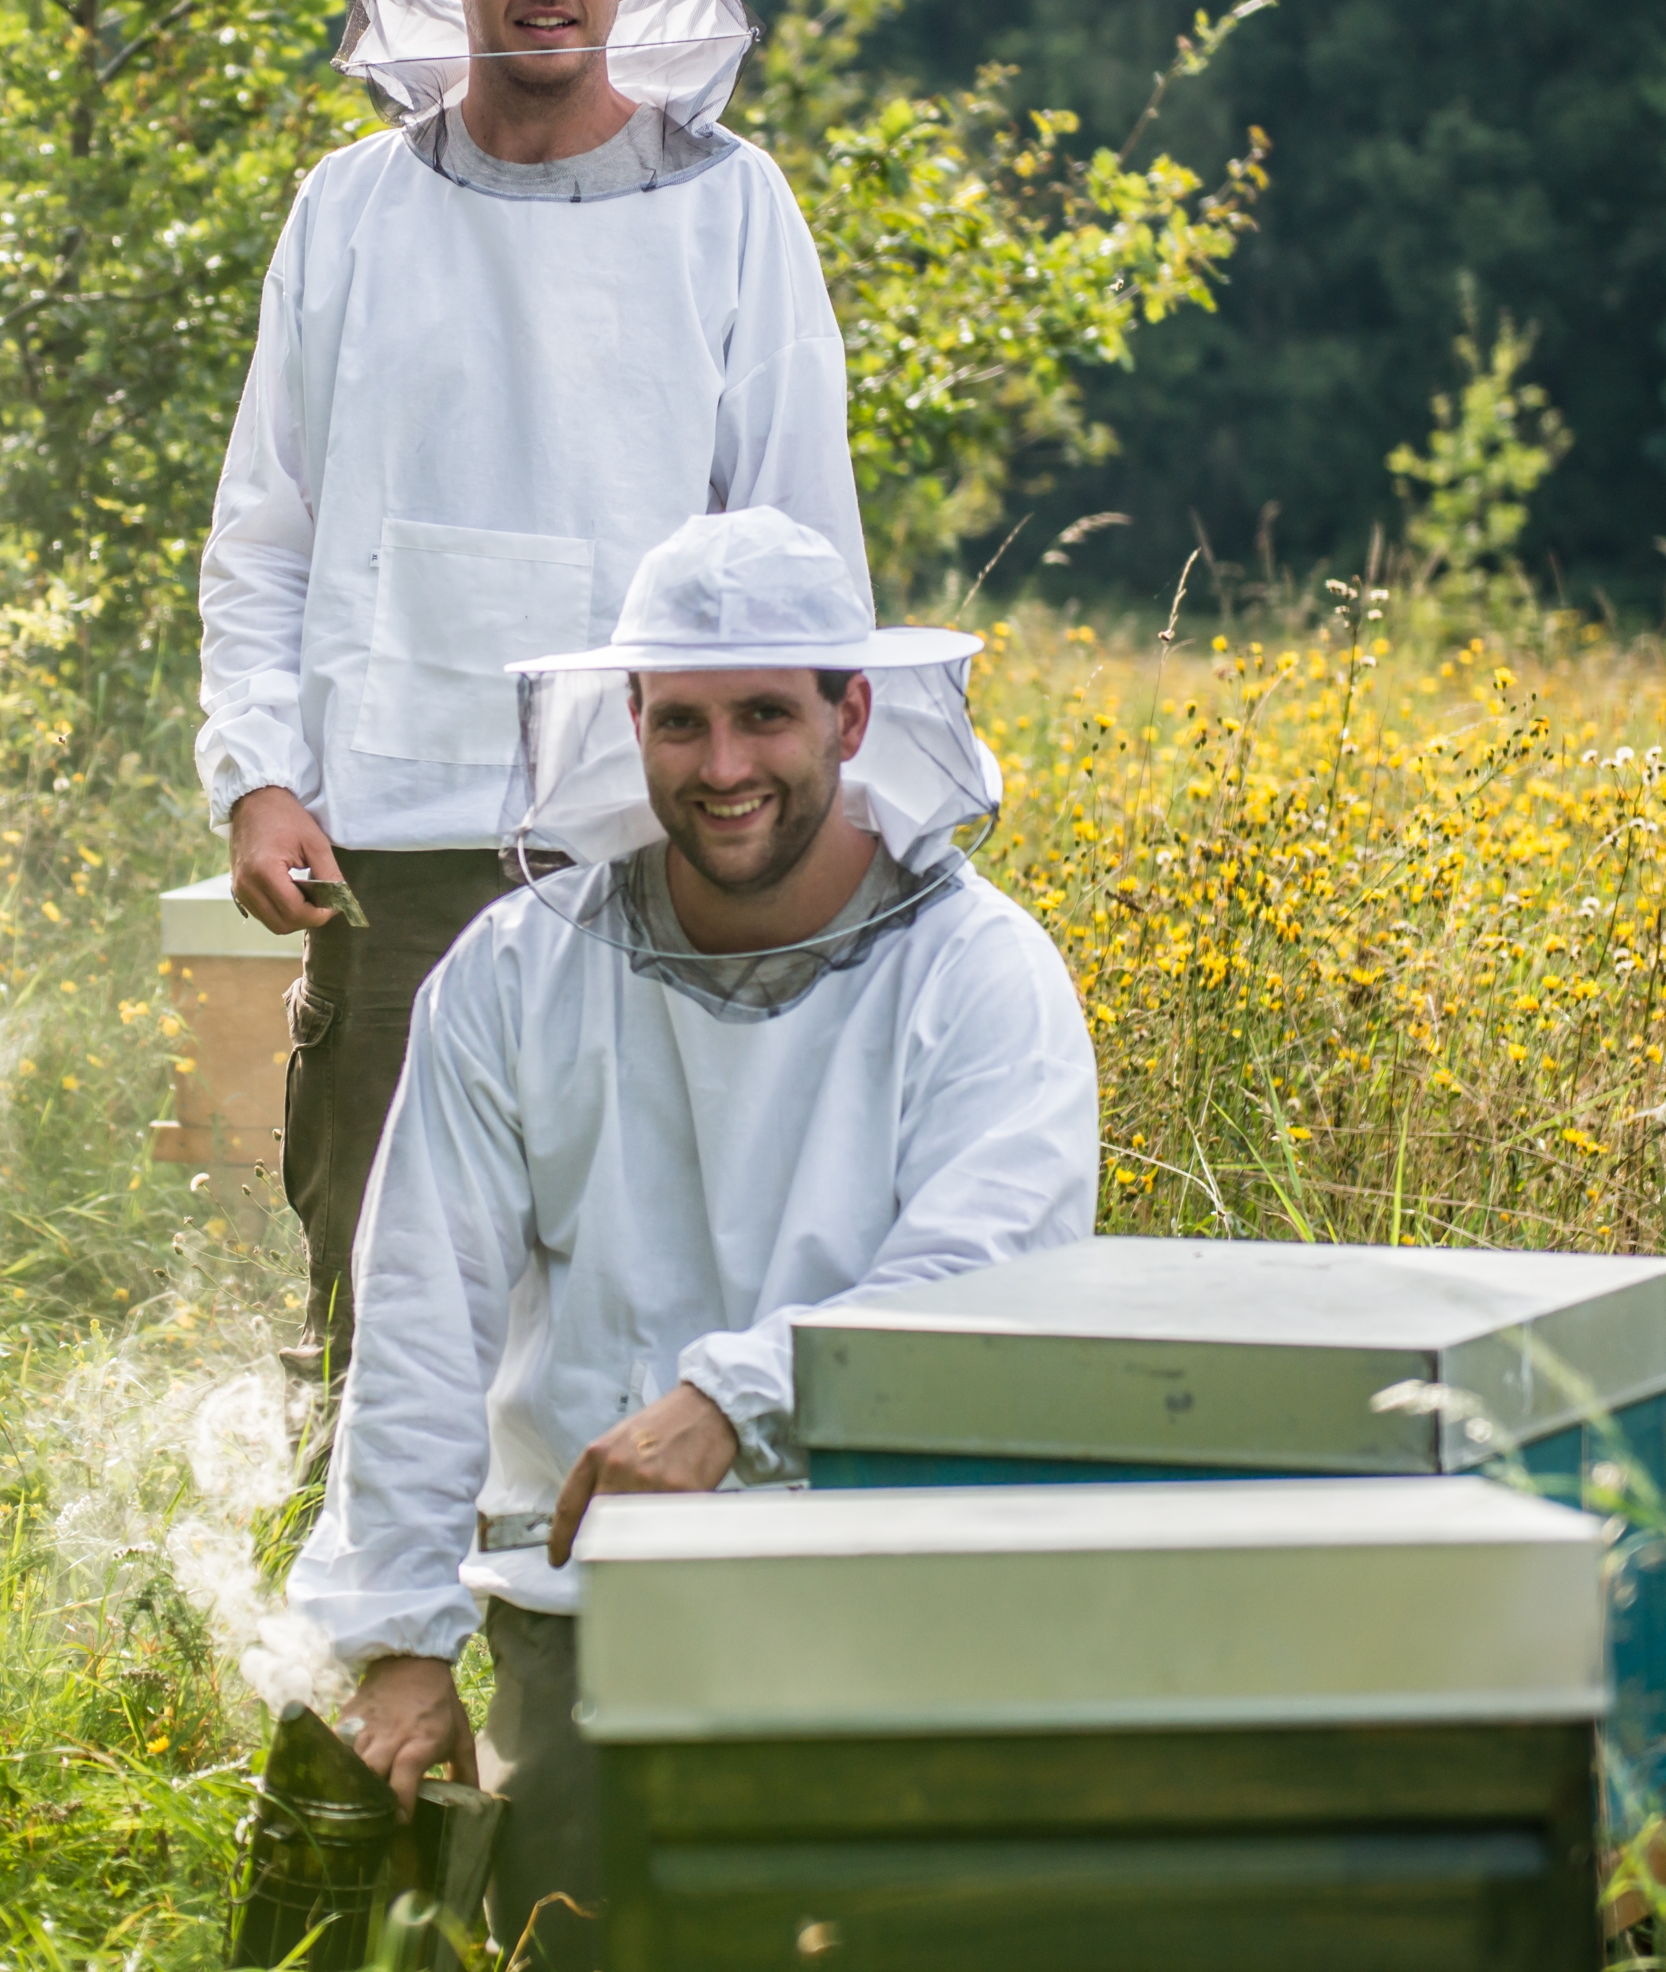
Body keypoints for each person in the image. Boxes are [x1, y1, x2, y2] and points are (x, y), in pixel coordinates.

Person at [281, 510, 1100, 1968]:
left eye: (766, 715)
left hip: (888, 1600)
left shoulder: (981, 975)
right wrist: (403, 1643)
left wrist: (732, 1399)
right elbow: (421, 1310)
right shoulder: (516, 975)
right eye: (682, 723)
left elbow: (993, 1270)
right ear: (631, 723)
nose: (723, 768)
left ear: (852, 711)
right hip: (587, 1613)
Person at [197, 0, 865, 1355]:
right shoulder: (349, 210)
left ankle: (604, 1611)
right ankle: (369, 1607)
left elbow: (799, 556)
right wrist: (259, 777)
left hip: (660, 863)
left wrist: (809, 850)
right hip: (396, 867)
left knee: (649, 1322)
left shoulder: (736, 209)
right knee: (388, 1326)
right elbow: (265, 534)